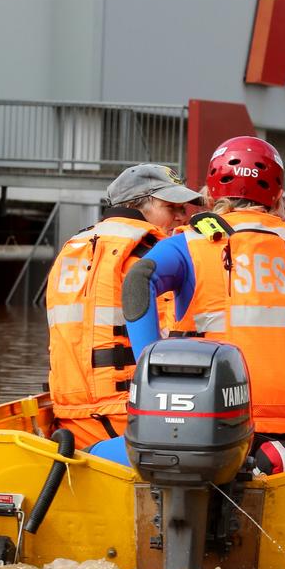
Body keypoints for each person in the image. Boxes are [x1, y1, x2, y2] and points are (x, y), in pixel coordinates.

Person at [112, 136, 285, 474]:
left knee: (92, 450)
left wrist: (153, 379)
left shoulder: (190, 244)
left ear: (212, 193)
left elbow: (138, 281)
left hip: (199, 430)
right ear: (276, 196)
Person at [45, 163, 203, 450]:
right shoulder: (152, 255)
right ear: (142, 204)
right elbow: (177, 340)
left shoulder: (72, 248)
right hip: (130, 418)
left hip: (69, 419)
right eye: (173, 207)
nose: (182, 217)